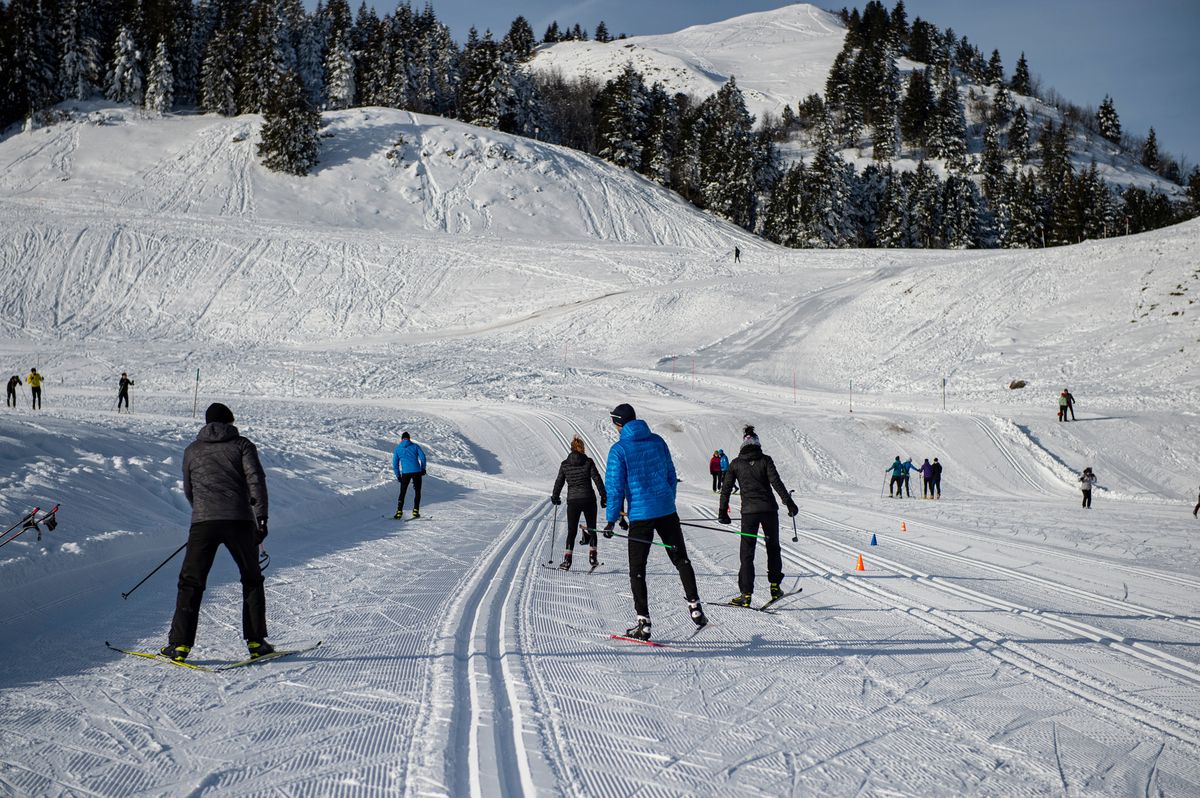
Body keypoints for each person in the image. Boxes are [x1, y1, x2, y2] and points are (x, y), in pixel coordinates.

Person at [161, 402, 271, 662]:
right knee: (251, 579)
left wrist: (203, 511)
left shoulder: (192, 450)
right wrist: (261, 519)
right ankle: (256, 642)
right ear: (229, 421)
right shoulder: (242, 445)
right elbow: (255, 480)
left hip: (203, 523)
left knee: (190, 582)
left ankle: (179, 645)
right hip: (239, 521)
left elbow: (189, 489)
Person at [603, 403, 706, 640]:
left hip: (641, 517)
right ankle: (695, 606)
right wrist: (668, 499)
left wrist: (611, 519)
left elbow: (615, 487)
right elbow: (671, 475)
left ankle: (644, 623)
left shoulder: (619, 450)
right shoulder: (657, 441)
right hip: (667, 511)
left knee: (637, 570)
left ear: (619, 423)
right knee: (681, 559)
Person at [719, 425, 798, 606]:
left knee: (747, 553)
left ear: (743, 445)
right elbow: (776, 482)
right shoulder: (765, 460)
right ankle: (775, 587)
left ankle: (746, 595)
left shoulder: (735, 463)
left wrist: (722, 512)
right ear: (757, 444)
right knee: (773, 548)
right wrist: (789, 503)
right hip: (769, 511)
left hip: (749, 514)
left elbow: (726, 489)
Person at [551, 436, 607, 570]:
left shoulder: (565, 464)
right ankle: (593, 557)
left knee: (572, 531)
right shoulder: (588, 462)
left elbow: (559, 481)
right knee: (592, 528)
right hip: (588, 499)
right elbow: (597, 478)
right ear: (582, 448)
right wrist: (603, 496)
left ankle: (567, 560)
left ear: (571, 448)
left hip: (573, 501)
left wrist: (555, 496)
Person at [392, 431, 427, 519]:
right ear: (409, 438)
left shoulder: (398, 448)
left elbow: (395, 463)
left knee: (402, 492)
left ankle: (399, 512)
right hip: (416, 471)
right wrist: (423, 469)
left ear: (401, 439)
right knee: (417, 491)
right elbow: (423, 457)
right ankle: (415, 511)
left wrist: (398, 475)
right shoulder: (415, 446)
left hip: (405, 473)